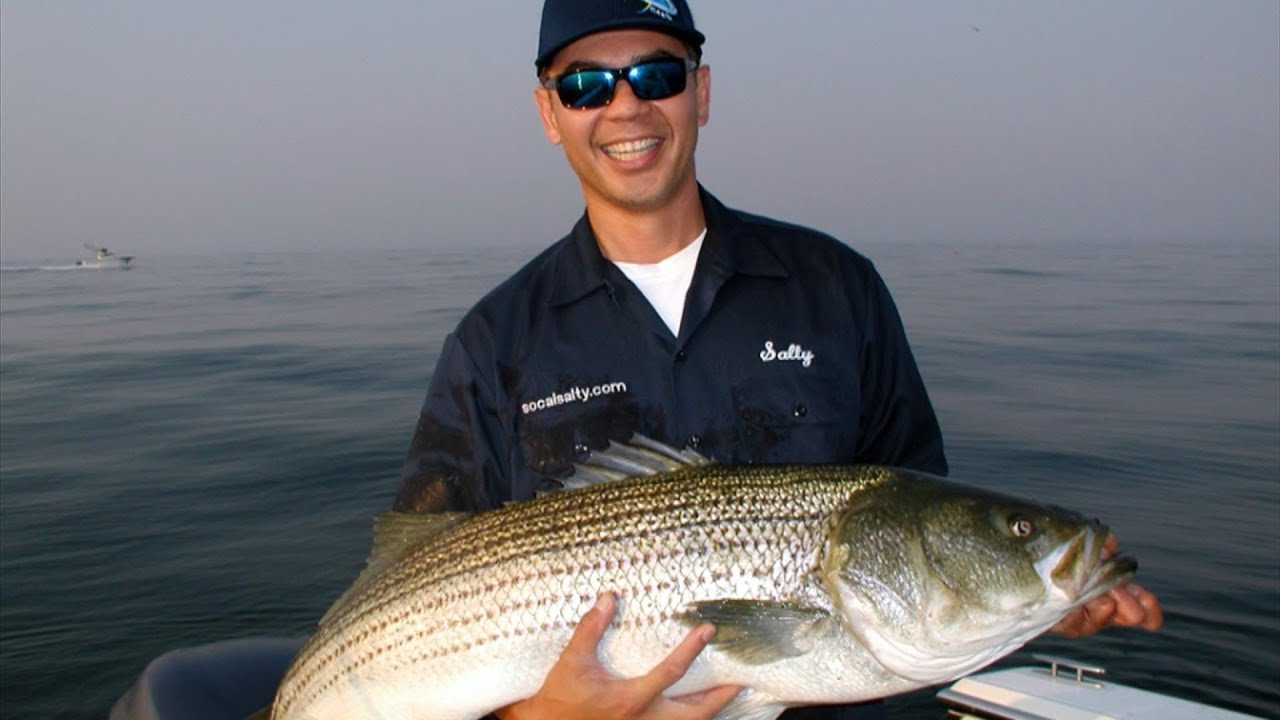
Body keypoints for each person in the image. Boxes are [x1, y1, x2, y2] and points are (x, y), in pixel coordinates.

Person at [394, 1, 1163, 718]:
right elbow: (414, 583)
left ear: (700, 92)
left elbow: (919, 516)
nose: (625, 107)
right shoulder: (492, 343)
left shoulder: (837, 288)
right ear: (550, 114)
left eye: (656, 75)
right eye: (587, 86)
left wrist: (1033, 594)